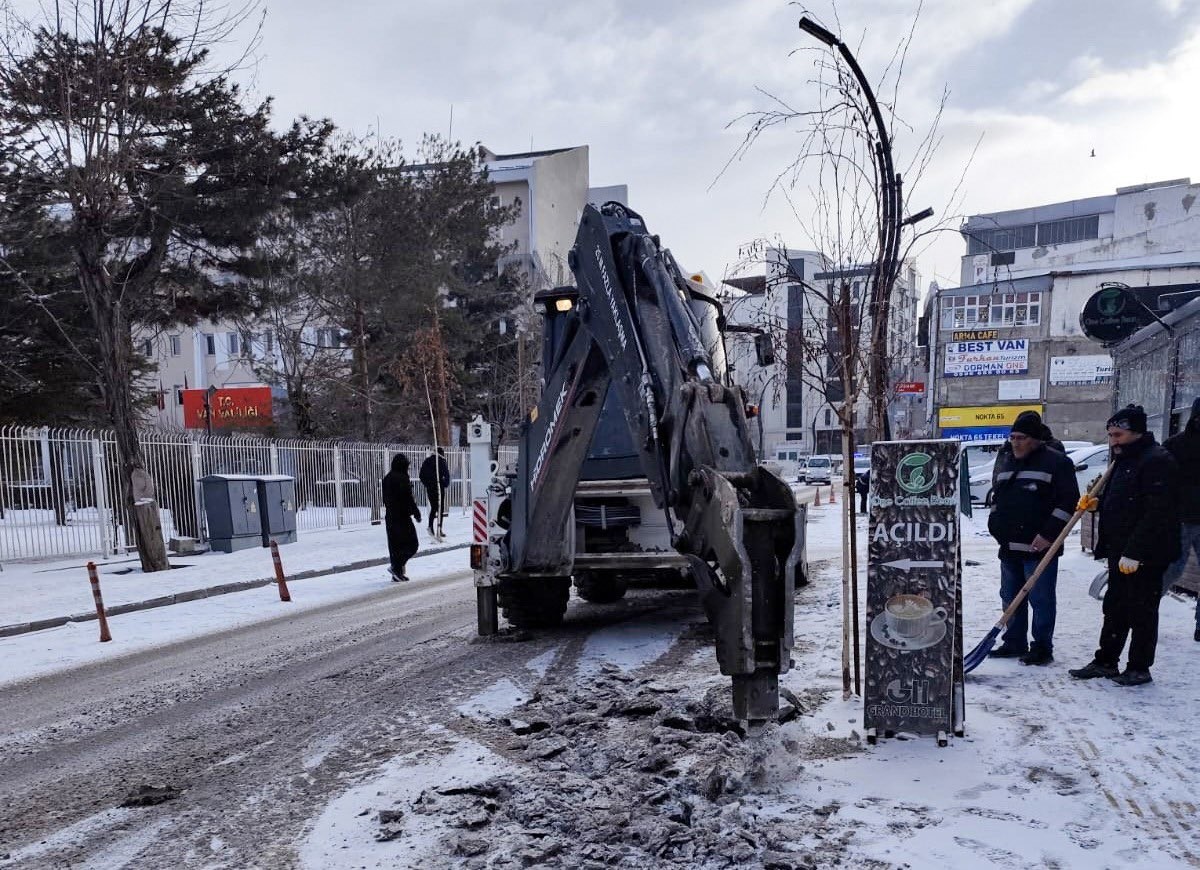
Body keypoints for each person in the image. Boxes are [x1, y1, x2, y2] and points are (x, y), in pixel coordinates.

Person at [1070, 405, 1180, 685]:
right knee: (1115, 606)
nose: (1112, 441)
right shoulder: (1124, 460)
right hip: (1121, 550)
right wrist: (1098, 505)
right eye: (1109, 435)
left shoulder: (1157, 461)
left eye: (1118, 434)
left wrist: (1135, 552)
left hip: (1146, 554)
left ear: (1137, 432)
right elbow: (1124, 502)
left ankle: (1139, 667)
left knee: (1141, 610)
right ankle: (1105, 661)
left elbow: (1158, 513)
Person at [986, 410, 1080, 665]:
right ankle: (1014, 641)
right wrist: (996, 525)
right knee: (1010, 595)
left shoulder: (1056, 463)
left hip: (1039, 546)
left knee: (1041, 598)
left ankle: (1041, 647)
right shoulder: (1007, 460)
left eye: (1022, 437)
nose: (1015, 442)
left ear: (1036, 439)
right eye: (1013, 436)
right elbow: (998, 497)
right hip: (1009, 546)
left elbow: (1068, 502)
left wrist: (1048, 535)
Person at [1162, 396, 1200, 643]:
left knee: (1171, 568)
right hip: (1181, 517)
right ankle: (1145, 609)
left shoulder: (1174, 445)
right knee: (1171, 569)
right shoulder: (1175, 445)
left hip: (1185, 514)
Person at [382, 454, 420, 582]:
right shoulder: (402, 478)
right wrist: (415, 512)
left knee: (395, 547)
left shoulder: (387, 478)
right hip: (402, 517)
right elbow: (408, 498)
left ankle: (397, 573)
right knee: (412, 544)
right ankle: (396, 567)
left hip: (390, 517)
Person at [419, 448, 451, 536]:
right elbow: (446, 475)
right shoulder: (441, 461)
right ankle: (439, 529)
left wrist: (428, 484)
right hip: (439, 488)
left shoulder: (427, 461)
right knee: (440, 509)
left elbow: (421, 475)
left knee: (433, 508)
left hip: (430, 488)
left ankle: (430, 527)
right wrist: (444, 484)